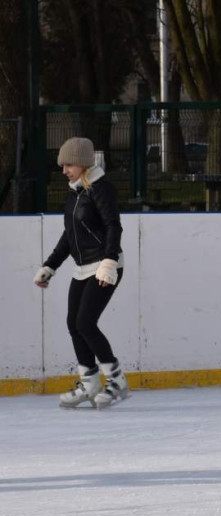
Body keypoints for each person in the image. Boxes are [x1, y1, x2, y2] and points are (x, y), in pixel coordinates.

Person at [33, 137, 130, 409]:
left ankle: (116, 380)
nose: (64, 170)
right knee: (73, 324)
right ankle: (89, 382)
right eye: (62, 165)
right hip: (82, 267)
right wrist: (50, 266)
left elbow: (113, 226)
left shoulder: (101, 189)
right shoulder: (75, 192)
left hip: (104, 266)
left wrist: (109, 262)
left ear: (84, 163)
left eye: (69, 164)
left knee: (86, 322)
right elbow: (69, 236)